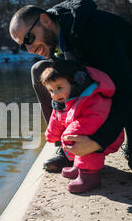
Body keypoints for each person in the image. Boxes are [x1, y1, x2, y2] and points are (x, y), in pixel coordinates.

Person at [9, 0, 132, 182]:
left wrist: (97, 141)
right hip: (103, 96)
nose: (28, 49)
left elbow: (126, 93)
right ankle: (66, 150)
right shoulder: (57, 39)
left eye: (28, 39)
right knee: (40, 71)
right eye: (22, 45)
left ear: (45, 20)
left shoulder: (98, 29)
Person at [41, 59, 124, 193]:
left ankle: (89, 176)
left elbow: (95, 119)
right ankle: (78, 166)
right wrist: (52, 134)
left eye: (59, 88)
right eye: (51, 90)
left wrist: (68, 135)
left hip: (105, 136)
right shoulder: (64, 101)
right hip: (83, 133)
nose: (55, 94)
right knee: (73, 137)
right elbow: (57, 118)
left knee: (79, 138)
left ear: (75, 83)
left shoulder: (93, 98)